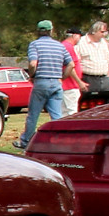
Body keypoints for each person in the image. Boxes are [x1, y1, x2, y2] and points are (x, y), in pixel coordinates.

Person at [15, 19, 77, 150]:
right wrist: (62, 77)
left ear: (38, 31)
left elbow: (33, 63)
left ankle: (26, 141)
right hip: (56, 83)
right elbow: (71, 64)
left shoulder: (35, 45)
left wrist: (32, 75)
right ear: (51, 31)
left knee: (33, 115)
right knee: (56, 115)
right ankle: (59, 141)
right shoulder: (60, 46)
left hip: (41, 82)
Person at [78, 21, 109, 94]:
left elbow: (108, 60)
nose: (104, 35)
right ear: (94, 31)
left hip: (104, 79)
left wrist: (108, 75)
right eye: (102, 32)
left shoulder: (104, 42)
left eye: (105, 32)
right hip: (88, 79)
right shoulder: (81, 42)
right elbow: (75, 62)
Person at [60, 27, 84, 115]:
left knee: (64, 112)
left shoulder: (66, 46)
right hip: (70, 85)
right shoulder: (68, 47)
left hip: (67, 86)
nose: (79, 39)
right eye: (79, 36)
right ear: (74, 36)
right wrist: (79, 82)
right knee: (72, 111)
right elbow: (70, 66)